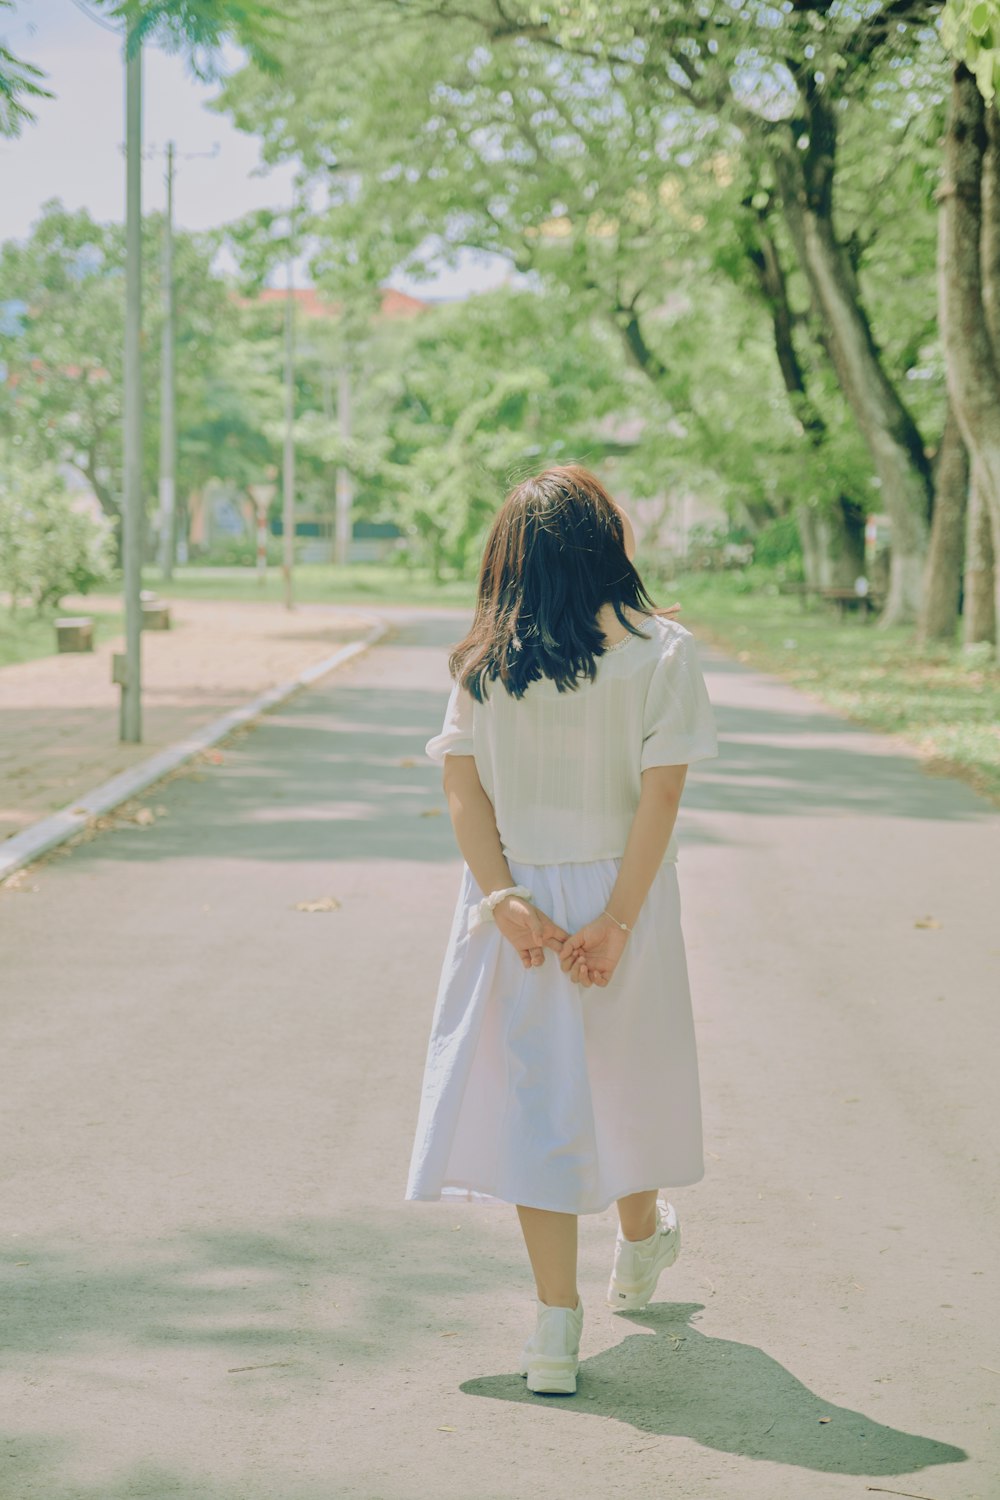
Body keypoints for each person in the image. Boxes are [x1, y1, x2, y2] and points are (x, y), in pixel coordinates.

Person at [404, 464, 719, 1396]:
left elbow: (462, 788)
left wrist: (502, 897)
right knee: (621, 1076)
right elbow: (662, 792)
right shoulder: (664, 652)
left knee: (547, 1099)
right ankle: (638, 1241)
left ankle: (553, 1334)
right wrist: (619, 917)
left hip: (518, 904)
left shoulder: (482, 665)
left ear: (510, 562)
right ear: (606, 546)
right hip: (625, 886)